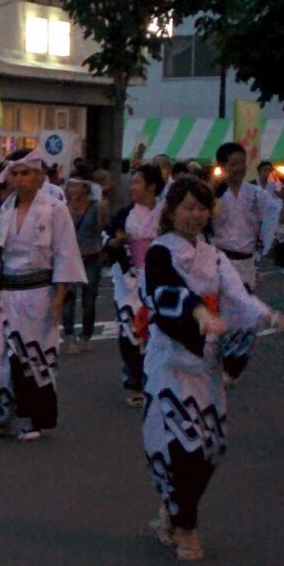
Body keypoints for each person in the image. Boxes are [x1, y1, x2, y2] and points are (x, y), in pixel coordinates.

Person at [140, 175, 284, 563]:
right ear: (171, 211)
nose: (195, 215)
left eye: (202, 208)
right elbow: (162, 289)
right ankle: (187, 529)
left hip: (205, 363)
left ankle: (174, 511)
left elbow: (238, 297)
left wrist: (272, 318)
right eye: (187, 207)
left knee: (210, 446)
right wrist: (197, 310)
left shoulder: (215, 256)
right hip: (170, 360)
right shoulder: (160, 252)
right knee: (183, 446)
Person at [0, 146, 87, 442]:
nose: (20, 179)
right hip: (7, 292)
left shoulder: (54, 209)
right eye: (15, 173)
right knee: (0, 355)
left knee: (34, 357)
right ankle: (0, 415)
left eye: (26, 173)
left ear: (39, 176)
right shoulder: (3, 210)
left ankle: (35, 419)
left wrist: (59, 296)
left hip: (39, 290)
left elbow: (65, 252)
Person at [207, 141, 280, 386]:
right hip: (219, 258)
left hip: (245, 261)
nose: (238, 169)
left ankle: (233, 366)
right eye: (232, 164)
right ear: (222, 166)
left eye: (241, 163)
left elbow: (273, 213)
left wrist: (263, 248)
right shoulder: (214, 195)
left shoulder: (255, 194)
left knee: (244, 314)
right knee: (218, 312)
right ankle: (217, 362)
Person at [109, 163, 164, 406]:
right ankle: (138, 380)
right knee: (129, 330)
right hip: (129, 280)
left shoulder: (166, 214)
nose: (132, 187)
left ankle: (153, 382)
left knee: (156, 333)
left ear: (152, 186)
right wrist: (115, 241)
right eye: (132, 182)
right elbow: (107, 236)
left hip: (159, 279)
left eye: (137, 182)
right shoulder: (126, 214)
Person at [62, 176, 102, 350]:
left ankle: (86, 335)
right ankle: (70, 337)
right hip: (70, 258)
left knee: (89, 300)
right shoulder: (62, 207)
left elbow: (100, 229)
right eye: (70, 187)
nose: (73, 190)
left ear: (85, 188)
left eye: (77, 186)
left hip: (91, 256)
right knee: (68, 300)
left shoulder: (96, 207)